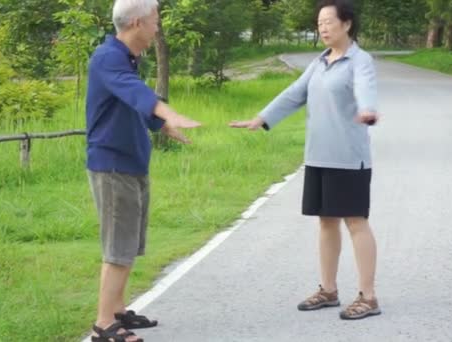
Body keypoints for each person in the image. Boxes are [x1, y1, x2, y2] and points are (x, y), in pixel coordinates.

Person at [230, 0, 381, 320]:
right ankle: (328, 290)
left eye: (329, 21)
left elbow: (365, 87)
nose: (323, 27)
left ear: (347, 24)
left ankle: (368, 297)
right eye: (319, 23)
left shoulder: (360, 60)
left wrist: (367, 108)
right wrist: (262, 118)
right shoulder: (320, 61)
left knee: (355, 221)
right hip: (318, 156)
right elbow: (294, 93)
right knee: (326, 222)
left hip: (348, 158)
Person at [85, 0, 201, 340]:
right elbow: (133, 91)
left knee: (129, 242)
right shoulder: (108, 58)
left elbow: (128, 98)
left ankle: (118, 310)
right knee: (118, 248)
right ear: (136, 23)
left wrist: (160, 125)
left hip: (130, 162)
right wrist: (166, 112)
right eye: (154, 21)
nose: (157, 27)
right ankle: (105, 324)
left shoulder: (125, 58)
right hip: (113, 165)